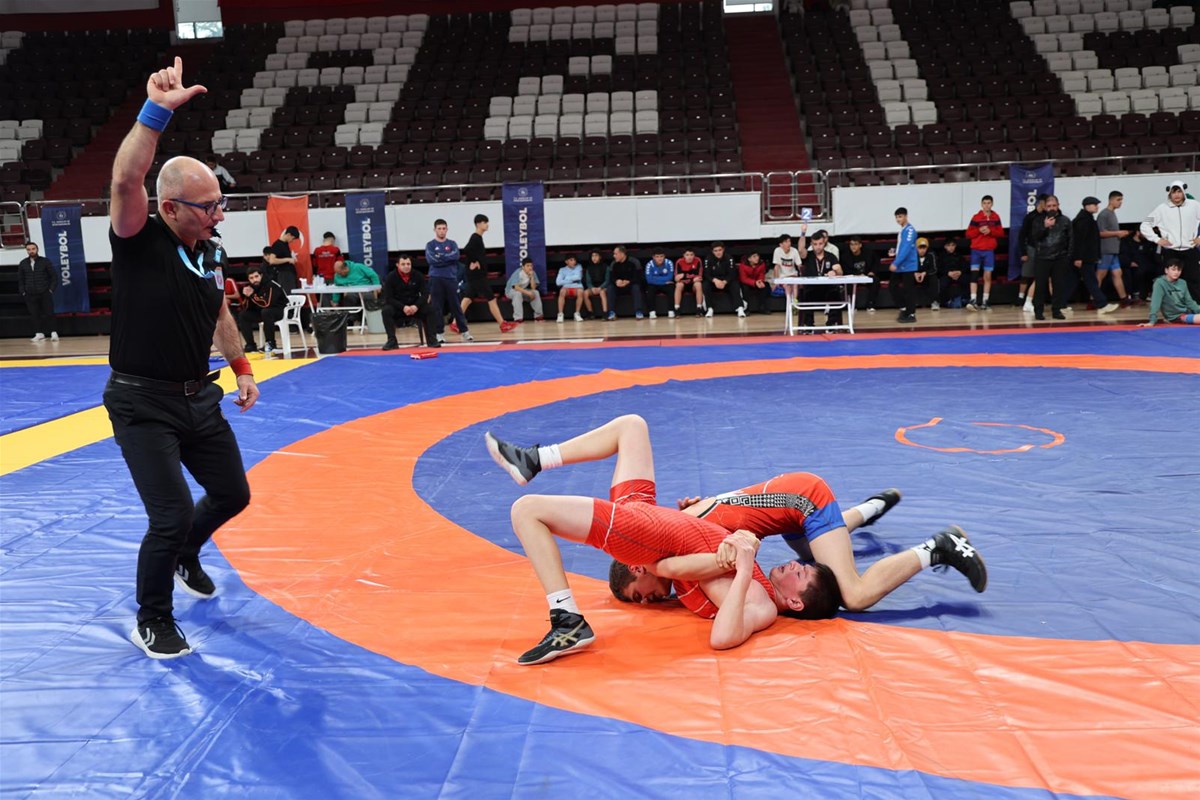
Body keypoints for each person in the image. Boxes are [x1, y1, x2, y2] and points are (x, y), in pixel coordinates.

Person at [106, 57, 258, 659]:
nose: (218, 215)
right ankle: (153, 618)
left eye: (220, 204)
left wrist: (242, 368)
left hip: (199, 396)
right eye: (207, 206)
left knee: (233, 494)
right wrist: (155, 113)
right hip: (142, 402)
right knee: (168, 515)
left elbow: (218, 313)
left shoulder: (209, 249)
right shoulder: (139, 239)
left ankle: (186, 553)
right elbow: (126, 180)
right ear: (169, 208)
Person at [483, 416, 844, 664]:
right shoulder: (742, 581)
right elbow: (675, 567)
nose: (796, 563)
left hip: (649, 532)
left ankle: (566, 619)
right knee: (632, 426)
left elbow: (721, 637)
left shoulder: (761, 602)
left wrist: (742, 563)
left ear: (795, 602)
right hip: (653, 521)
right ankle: (536, 459)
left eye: (801, 573)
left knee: (526, 510)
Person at [1140, 177, 1200, 305]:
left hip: (1190, 250)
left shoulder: (1194, 205)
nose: (1176, 195)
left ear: (1183, 192)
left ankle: (1196, 309)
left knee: (1194, 281)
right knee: (1171, 282)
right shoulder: (1161, 209)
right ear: (1169, 193)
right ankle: (1174, 308)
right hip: (1171, 252)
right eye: (1173, 192)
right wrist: (1157, 239)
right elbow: (1145, 224)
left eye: (1179, 191)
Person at [458, 214, 518, 333]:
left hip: (475, 275)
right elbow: (467, 249)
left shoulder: (478, 238)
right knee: (491, 298)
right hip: (477, 275)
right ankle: (502, 324)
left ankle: (455, 323)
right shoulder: (475, 237)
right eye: (485, 222)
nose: (487, 225)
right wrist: (474, 261)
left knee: (468, 298)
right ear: (478, 224)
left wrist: (474, 261)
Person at [381, 254, 439, 349]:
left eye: (408, 264)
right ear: (397, 265)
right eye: (403, 264)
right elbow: (389, 298)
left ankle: (432, 340)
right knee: (386, 311)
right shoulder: (390, 277)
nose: (406, 266)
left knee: (430, 310)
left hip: (415, 307)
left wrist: (416, 306)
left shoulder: (418, 275)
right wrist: (403, 307)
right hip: (398, 308)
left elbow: (425, 294)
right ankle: (392, 341)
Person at [1072, 196, 1118, 314]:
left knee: (1073, 281)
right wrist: (1078, 257)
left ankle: (1060, 304)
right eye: (1095, 205)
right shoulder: (1083, 221)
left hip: (1086, 257)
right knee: (1090, 281)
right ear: (1087, 206)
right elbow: (1079, 241)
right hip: (1084, 257)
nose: (1097, 207)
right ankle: (1102, 304)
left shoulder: (1087, 219)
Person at [1030, 195, 1073, 320]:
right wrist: (1045, 226)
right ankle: (1038, 311)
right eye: (1049, 206)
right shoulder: (1038, 220)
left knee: (1058, 285)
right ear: (1045, 207)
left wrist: (1068, 257)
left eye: (1054, 205)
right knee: (1040, 286)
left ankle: (1057, 310)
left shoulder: (1065, 220)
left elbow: (1071, 239)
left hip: (1060, 258)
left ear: (1058, 206)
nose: (1052, 208)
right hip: (1042, 257)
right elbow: (1034, 238)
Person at [965, 195, 1003, 311]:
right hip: (976, 250)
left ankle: (985, 301)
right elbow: (968, 234)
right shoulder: (976, 217)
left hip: (989, 251)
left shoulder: (996, 217)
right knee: (974, 275)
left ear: (992, 204)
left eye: (989, 203)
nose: (987, 205)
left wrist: (991, 231)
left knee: (987, 276)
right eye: (985, 203)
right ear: (981, 204)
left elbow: (1001, 233)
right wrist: (979, 230)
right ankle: (973, 300)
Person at [798, 229, 843, 328]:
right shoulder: (808, 255)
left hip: (827, 289)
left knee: (835, 294)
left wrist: (835, 271)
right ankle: (808, 326)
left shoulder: (830, 256)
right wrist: (803, 233)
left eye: (820, 244)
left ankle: (831, 324)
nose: (818, 246)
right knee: (806, 295)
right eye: (815, 244)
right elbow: (801, 249)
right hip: (811, 290)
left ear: (824, 243)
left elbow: (840, 271)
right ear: (811, 244)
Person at [237, 265, 286, 355]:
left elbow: (267, 304)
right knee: (243, 315)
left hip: (280, 310)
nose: (254, 280)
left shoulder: (271, 284)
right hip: (264, 312)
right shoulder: (251, 287)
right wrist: (246, 296)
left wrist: (252, 295)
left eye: (256, 276)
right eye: (251, 278)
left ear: (261, 275)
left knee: (266, 312)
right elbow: (247, 307)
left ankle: (271, 343)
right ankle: (250, 344)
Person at [1096, 191, 1133, 309]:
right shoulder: (1104, 214)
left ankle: (1124, 299)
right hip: (1106, 250)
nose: (1120, 202)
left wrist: (1119, 233)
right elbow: (1100, 233)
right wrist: (1118, 233)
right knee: (1100, 274)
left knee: (1117, 273)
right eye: (1118, 199)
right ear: (1110, 200)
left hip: (1113, 250)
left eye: (1121, 200)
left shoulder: (1112, 213)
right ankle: (1093, 300)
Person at [17, 241, 58, 342]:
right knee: (34, 314)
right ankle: (39, 334)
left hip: (44, 292)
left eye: (33, 249)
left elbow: (54, 276)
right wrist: (23, 291)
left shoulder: (45, 261)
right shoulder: (23, 263)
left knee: (49, 313)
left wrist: (51, 289)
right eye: (29, 249)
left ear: (37, 249)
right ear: (26, 251)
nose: (31, 251)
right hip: (30, 293)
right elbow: (21, 279)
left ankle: (53, 333)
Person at [1140, 257, 1200, 326]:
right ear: (1166, 270)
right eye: (1173, 269)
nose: (1176, 272)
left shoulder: (1182, 282)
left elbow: (1190, 302)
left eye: (1179, 270)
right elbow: (1155, 303)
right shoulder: (1159, 283)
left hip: (1188, 312)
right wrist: (1152, 321)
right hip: (1176, 317)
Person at [1017, 194, 1048, 313]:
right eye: (1046, 203)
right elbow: (1022, 235)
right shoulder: (1030, 217)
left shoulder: (1047, 216)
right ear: (1040, 203)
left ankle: (1034, 299)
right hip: (1031, 247)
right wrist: (1023, 252)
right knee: (1026, 274)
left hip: (1043, 248)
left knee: (1040, 274)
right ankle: (1020, 297)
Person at [890, 207, 919, 323]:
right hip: (901, 264)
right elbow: (902, 247)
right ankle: (904, 308)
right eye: (897, 217)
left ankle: (911, 313)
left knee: (909, 290)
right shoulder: (903, 230)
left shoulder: (910, 230)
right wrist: (894, 252)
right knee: (893, 286)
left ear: (906, 216)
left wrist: (896, 262)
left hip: (908, 265)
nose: (898, 219)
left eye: (900, 216)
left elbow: (906, 248)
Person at [703, 241, 744, 317]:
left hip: (726, 281)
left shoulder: (729, 258)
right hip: (714, 281)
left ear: (723, 250)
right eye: (715, 251)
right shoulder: (708, 259)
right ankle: (709, 308)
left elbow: (732, 273)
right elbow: (706, 274)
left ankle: (740, 308)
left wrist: (725, 282)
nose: (718, 252)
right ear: (712, 251)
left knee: (735, 285)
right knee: (706, 285)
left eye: (720, 250)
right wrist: (715, 280)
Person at [606, 245, 644, 320]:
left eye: (615, 254)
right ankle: (611, 312)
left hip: (630, 284)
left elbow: (638, 277)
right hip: (618, 286)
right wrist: (616, 281)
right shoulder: (613, 264)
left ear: (622, 254)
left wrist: (628, 281)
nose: (614, 256)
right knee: (610, 288)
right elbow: (611, 278)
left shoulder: (634, 262)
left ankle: (638, 311)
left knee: (636, 287)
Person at [772, 231, 803, 310]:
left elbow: (799, 265)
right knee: (787, 287)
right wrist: (776, 281)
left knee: (795, 285)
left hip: (793, 275)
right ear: (781, 244)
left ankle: (794, 304)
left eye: (789, 241)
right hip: (783, 276)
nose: (789, 243)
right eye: (786, 242)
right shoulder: (777, 251)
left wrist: (802, 277)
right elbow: (776, 267)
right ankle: (789, 305)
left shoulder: (794, 251)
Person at [265, 225, 300, 293]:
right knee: (288, 294)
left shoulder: (285, 244)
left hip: (289, 274)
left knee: (293, 294)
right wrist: (288, 259)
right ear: (288, 234)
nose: (292, 241)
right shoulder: (277, 245)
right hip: (284, 275)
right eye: (293, 238)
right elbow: (272, 260)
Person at [673, 247, 706, 317]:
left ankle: (699, 308)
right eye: (687, 255)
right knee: (678, 285)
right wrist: (691, 277)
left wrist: (683, 276)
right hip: (683, 284)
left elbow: (699, 277)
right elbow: (676, 278)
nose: (689, 257)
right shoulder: (679, 262)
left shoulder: (698, 260)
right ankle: (677, 309)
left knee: (698, 284)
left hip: (693, 285)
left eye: (691, 255)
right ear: (684, 255)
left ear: (694, 255)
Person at [938, 238, 970, 309]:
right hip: (947, 275)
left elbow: (965, 266)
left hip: (958, 274)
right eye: (949, 245)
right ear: (945, 246)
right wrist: (948, 273)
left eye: (953, 245)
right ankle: (946, 302)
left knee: (967, 279)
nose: (951, 247)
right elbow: (939, 268)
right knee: (942, 283)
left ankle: (965, 299)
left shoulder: (959, 255)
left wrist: (960, 272)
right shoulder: (941, 256)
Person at [644, 248, 675, 318]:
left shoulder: (669, 263)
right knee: (649, 289)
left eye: (661, 256)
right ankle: (652, 312)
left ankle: (671, 311)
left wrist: (655, 278)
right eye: (657, 257)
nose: (659, 258)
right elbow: (649, 280)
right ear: (653, 257)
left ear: (664, 256)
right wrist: (664, 280)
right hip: (655, 285)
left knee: (672, 287)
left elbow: (670, 277)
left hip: (665, 285)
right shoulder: (649, 264)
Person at [555, 254, 586, 322]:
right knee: (562, 291)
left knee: (580, 292)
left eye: (574, 260)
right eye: (571, 260)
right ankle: (560, 314)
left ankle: (577, 313)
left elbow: (578, 277)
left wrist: (566, 279)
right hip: (566, 288)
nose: (573, 262)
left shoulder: (579, 267)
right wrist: (572, 280)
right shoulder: (562, 270)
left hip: (577, 287)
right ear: (566, 261)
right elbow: (558, 282)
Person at [582, 249, 610, 319]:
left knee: (602, 292)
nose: (594, 258)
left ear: (600, 257)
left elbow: (607, 280)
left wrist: (600, 287)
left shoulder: (606, 267)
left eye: (596, 256)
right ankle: (590, 313)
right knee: (585, 293)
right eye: (593, 256)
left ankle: (605, 313)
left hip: (603, 287)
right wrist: (592, 288)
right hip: (593, 287)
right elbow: (588, 281)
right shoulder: (589, 268)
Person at [914, 237, 939, 310]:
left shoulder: (931, 254)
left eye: (924, 248)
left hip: (927, 275)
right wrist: (914, 273)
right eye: (920, 248)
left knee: (934, 278)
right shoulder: (912, 255)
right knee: (907, 278)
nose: (922, 250)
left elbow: (934, 269)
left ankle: (935, 301)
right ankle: (909, 302)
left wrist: (925, 273)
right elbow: (908, 267)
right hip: (915, 275)